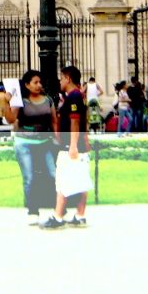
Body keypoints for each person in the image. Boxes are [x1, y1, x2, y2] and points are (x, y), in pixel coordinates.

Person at [41, 66, 90, 230]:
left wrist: (73, 145)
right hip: (78, 144)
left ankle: (58, 216)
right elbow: (84, 120)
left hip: (71, 145)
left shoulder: (74, 96)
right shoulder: (79, 95)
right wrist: (84, 139)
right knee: (82, 180)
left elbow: (75, 121)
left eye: (62, 78)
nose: (60, 82)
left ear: (68, 78)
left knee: (62, 180)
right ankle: (80, 215)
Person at [9, 69, 57, 226]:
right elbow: (11, 119)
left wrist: (57, 138)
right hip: (24, 142)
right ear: (27, 85)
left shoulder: (48, 100)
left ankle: (56, 207)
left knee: (53, 174)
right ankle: (33, 210)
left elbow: (54, 121)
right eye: (35, 82)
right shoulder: (21, 101)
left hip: (45, 142)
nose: (39, 85)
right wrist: (8, 102)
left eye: (40, 82)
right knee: (29, 177)